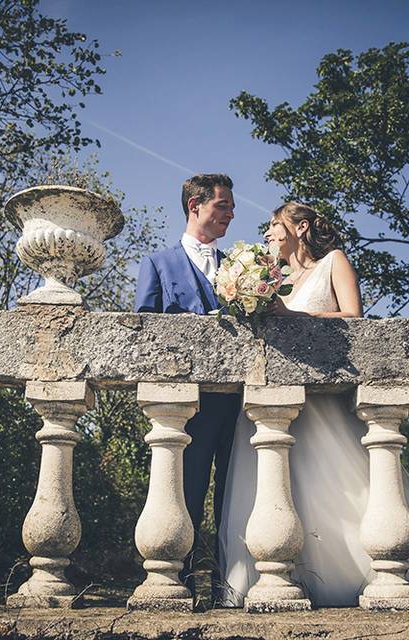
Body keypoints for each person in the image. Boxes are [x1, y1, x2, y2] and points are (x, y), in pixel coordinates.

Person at [217, 202, 409, 607]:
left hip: (321, 406)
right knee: (275, 490)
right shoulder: (273, 277)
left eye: (273, 226)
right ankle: (281, 580)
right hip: (276, 407)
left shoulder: (333, 261)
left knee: (338, 490)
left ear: (300, 228)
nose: (266, 234)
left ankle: (349, 581)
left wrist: (292, 314)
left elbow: (354, 317)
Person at [134, 173, 241, 603]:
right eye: (223, 206)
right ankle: (179, 581)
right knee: (185, 494)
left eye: (231, 207)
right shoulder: (157, 263)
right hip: (185, 410)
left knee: (236, 496)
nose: (231, 214)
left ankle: (228, 585)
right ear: (195, 205)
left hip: (239, 405)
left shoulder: (241, 266)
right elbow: (144, 333)